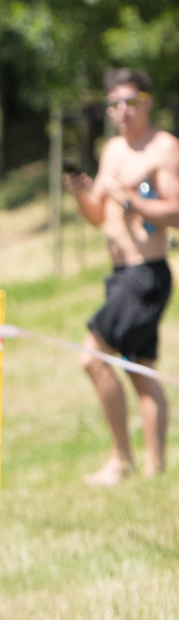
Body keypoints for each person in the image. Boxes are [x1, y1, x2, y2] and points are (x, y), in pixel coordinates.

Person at [64, 67, 179, 485]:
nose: (123, 111)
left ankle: (121, 459)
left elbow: (176, 212)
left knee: (92, 358)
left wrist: (131, 200)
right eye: (115, 104)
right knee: (140, 369)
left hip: (145, 274)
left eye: (131, 102)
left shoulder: (164, 149)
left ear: (147, 101)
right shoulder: (112, 151)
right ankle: (155, 469)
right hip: (119, 274)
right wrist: (80, 191)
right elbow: (98, 217)